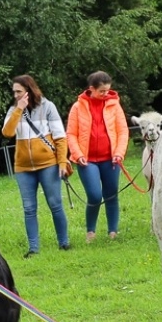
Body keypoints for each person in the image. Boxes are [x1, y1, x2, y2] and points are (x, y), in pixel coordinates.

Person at [2, 74, 70, 258]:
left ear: (29, 91)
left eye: (19, 91)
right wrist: (19, 109)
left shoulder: (48, 107)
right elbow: (7, 133)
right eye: (14, 92)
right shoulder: (13, 110)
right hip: (23, 168)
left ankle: (64, 243)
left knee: (55, 204)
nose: (15, 95)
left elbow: (60, 138)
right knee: (29, 208)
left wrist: (62, 162)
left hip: (48, 164)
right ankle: (34, 248)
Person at [63, 70, 131, 242]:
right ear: (91, 89)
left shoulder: (114, 105)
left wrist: (119, 153)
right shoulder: (78, 107)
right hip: (87, 161)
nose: (105, 94)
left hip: (110, 159)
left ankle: (113, 231)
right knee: (94, 195)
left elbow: (123, 131)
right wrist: (77, 155)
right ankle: (91, 231)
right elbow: (71, 134)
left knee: (111, 194)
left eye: (107, 90)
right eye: (102, 91)